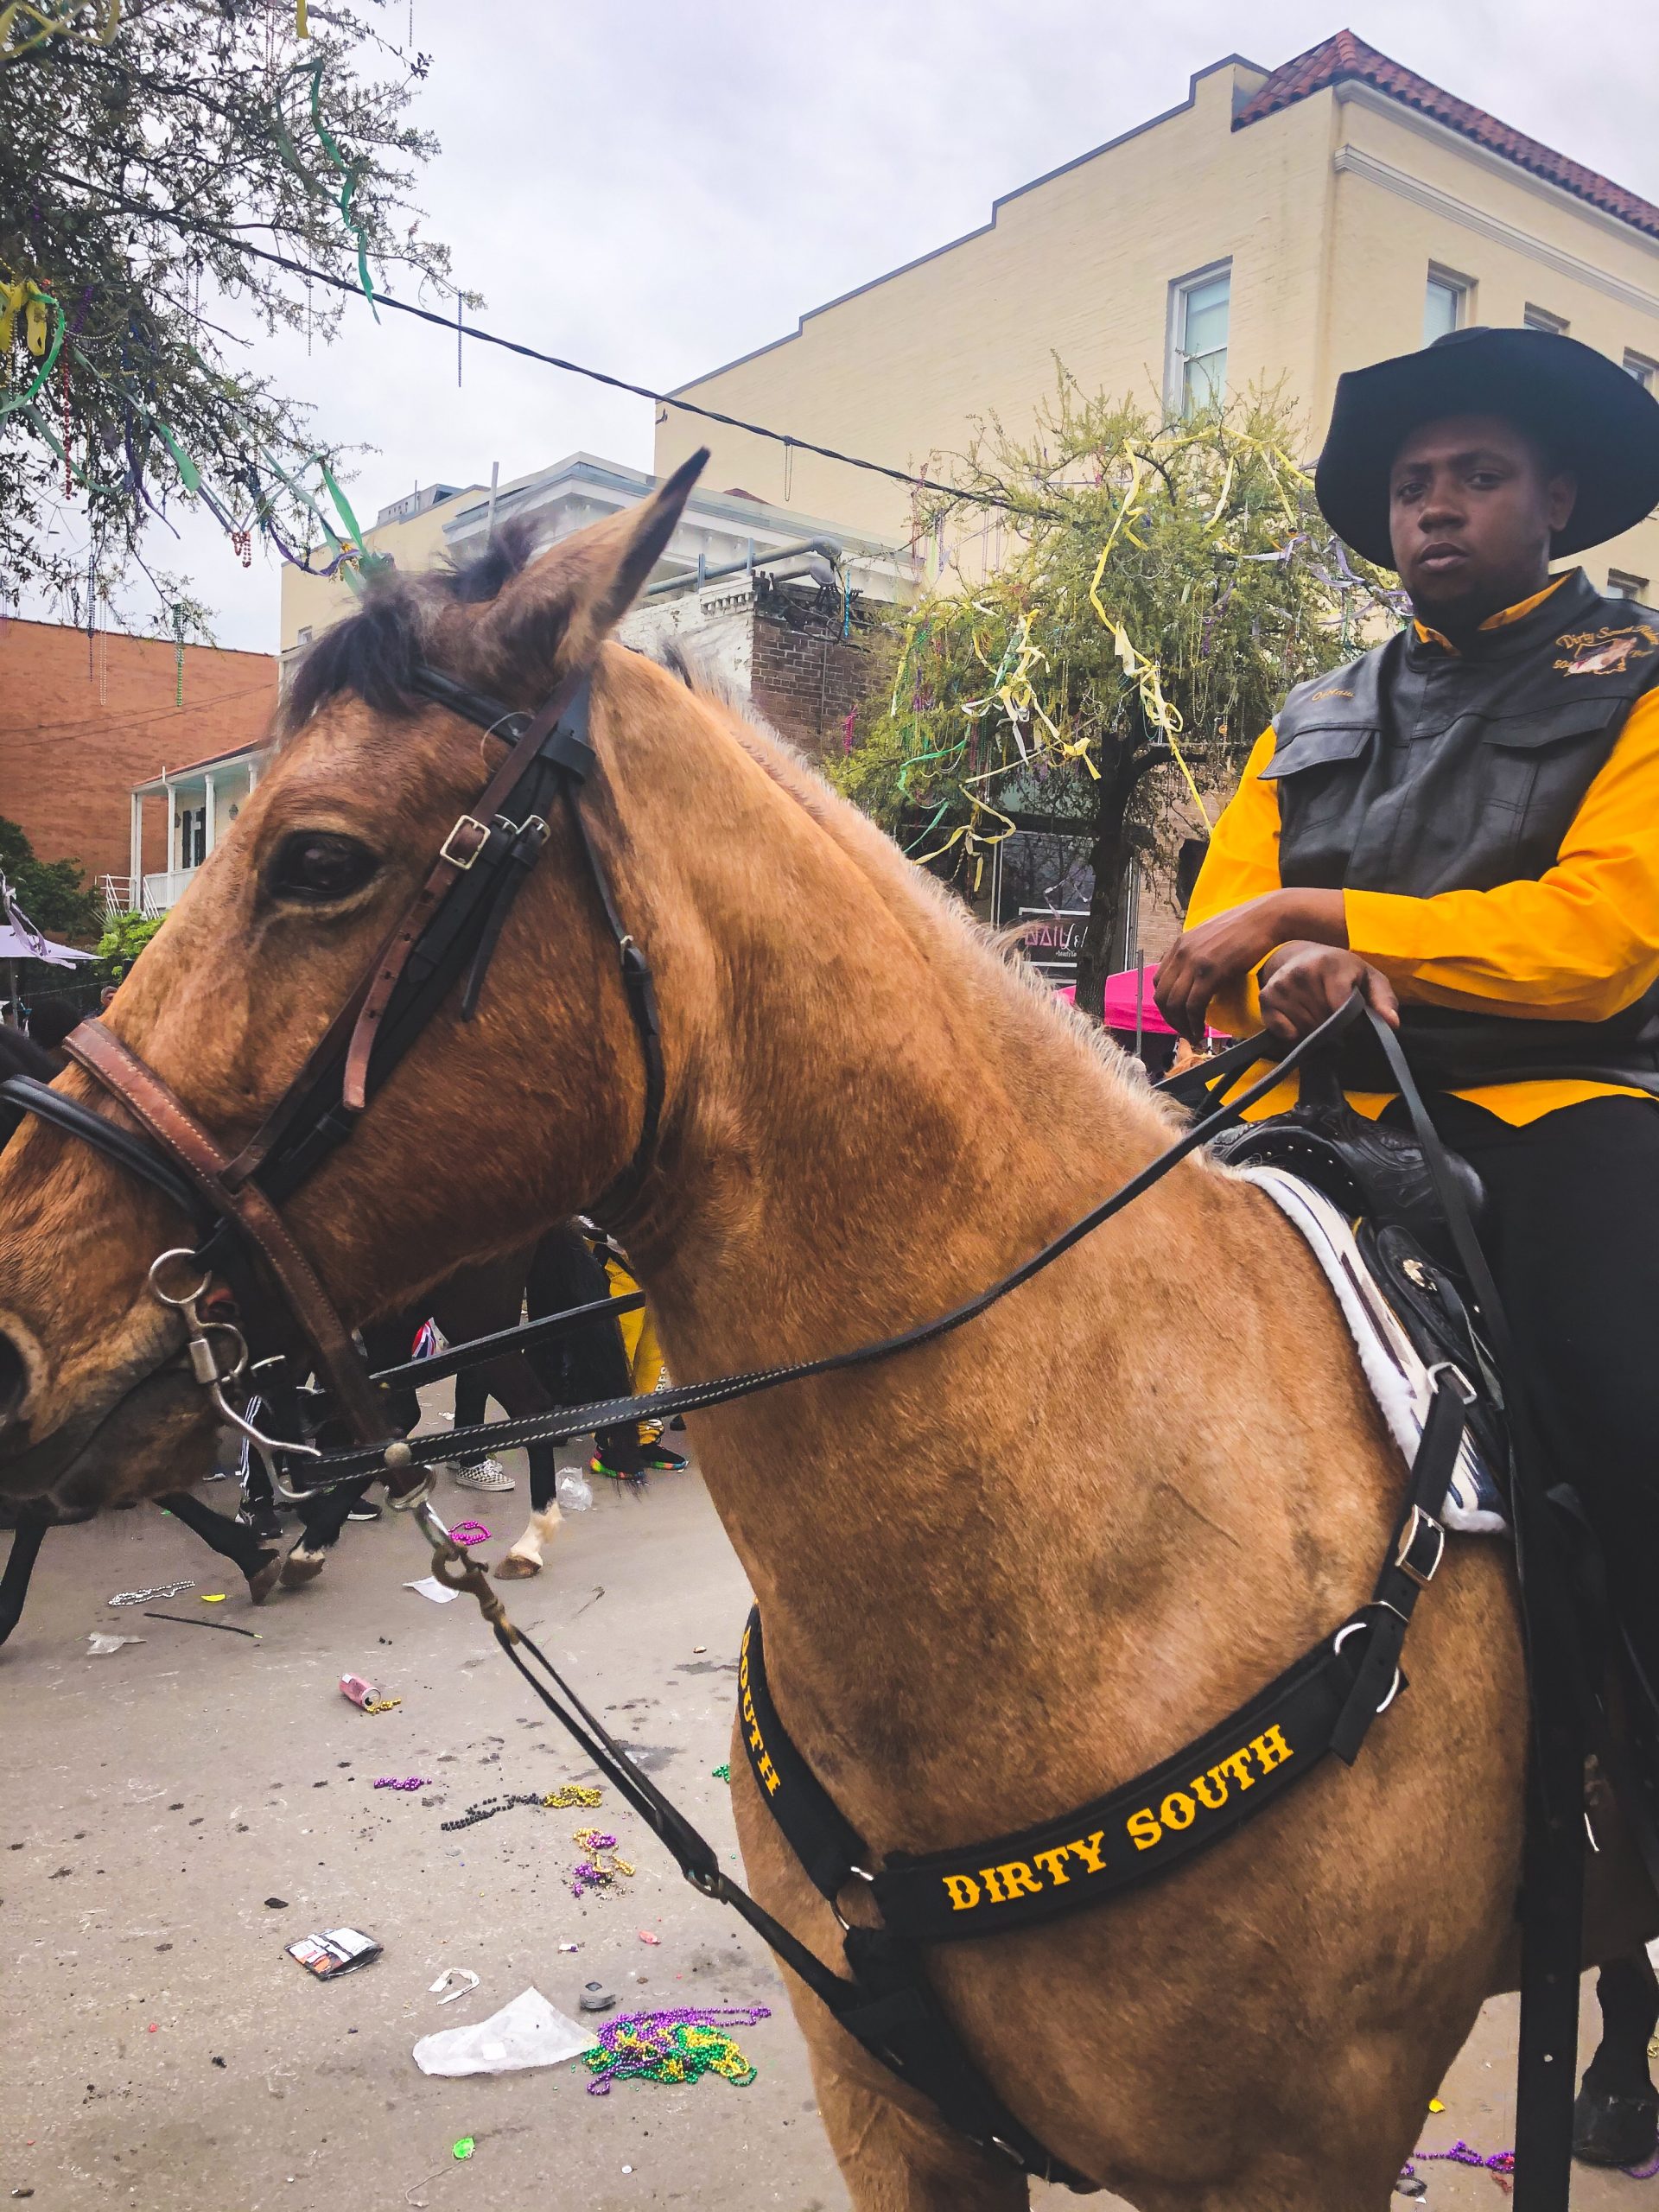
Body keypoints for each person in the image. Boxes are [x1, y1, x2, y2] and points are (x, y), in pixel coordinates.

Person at [1155, 324, 1659, 1698]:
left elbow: (1597, 943)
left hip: (1547, 1109)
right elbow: (1216, 942)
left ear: (1556, 499)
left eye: (1478, 473)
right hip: (1315, 1104)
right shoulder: (1309, 713)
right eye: (1412, 483)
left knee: (1632, 1407)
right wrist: (1281, 977)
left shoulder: (1640, 679)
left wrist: (1328, 924)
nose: (1436, 501)